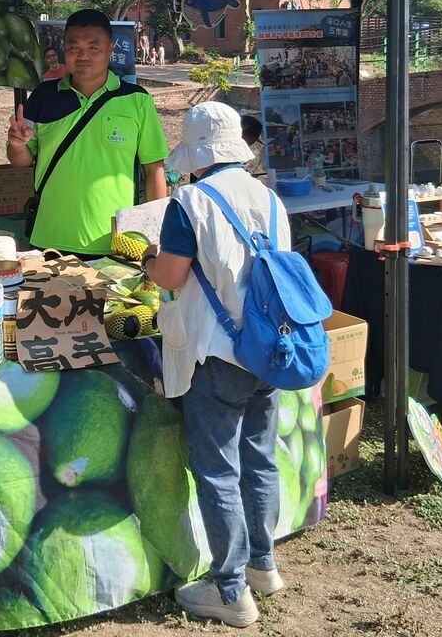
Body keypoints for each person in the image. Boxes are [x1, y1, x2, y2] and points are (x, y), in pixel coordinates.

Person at [141, 102, 291, 628]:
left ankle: (230, 592)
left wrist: (145, 260)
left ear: (198, 155)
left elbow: (170, 277)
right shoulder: (269, 199)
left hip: (215, 355)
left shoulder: (189, 202)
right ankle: (263, 566)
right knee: (260, 458)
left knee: (217, 471)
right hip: (267, 350)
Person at [7, 9, 169, 256]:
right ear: (64, 49)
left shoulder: (137, 100)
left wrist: (155, 236)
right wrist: (17, 145)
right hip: (50, 238)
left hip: (117, 242)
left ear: (110, 48)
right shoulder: (42, 97)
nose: (83, 56)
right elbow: (21, 161)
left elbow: (153, 169)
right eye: (74, 47)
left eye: (93, 47)